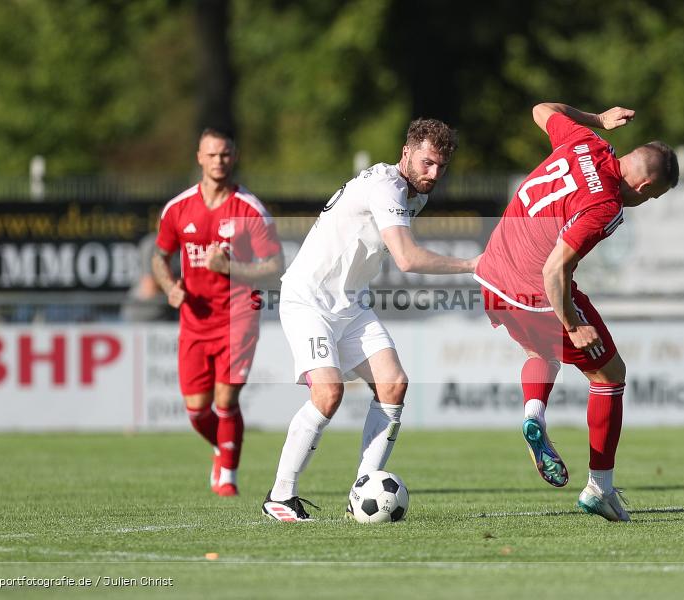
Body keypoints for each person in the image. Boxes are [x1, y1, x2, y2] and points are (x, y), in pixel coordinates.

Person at [262, 118, 479, 521]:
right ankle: (280, 495)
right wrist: (471, 264)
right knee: (328, 394)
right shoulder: (387, 188)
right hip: (308, 300)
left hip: (350, 306)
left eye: (441, 167)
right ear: (406, 153)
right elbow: (408, 259)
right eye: (427, 163)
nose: (433, 174)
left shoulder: (414, 194)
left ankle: (361, 493)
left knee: (393, 384)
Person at [474, 101, 678, 522]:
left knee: (542, 353)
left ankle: (533, 413)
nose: (647, 201)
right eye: (653, 197)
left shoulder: (586, 141)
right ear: (644, 188)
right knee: (610, 375)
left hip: (492, 275)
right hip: (535, 286)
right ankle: (599, 489)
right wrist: (573, 323)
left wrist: (598, 120)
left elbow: (540, 108)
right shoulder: (605, 205)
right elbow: (554, 271)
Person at [153, 128, 283, 497]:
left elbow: (275, 266)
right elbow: (159, 258)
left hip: (238, 315)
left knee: (225, 401)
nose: (218, 161)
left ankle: (228, 473)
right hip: (194, 318)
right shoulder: (178, 209)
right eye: (211, 155)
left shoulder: (249, 209)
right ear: (199, 158)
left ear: (234, 156)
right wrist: (169, 287)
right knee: (197, 410)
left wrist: (231, 269)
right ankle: (220, 447)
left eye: (224, 154)